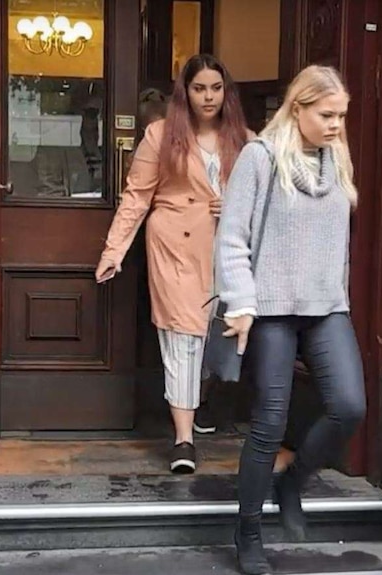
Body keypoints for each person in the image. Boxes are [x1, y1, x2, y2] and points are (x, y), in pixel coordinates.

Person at [215, 65, 366, 574]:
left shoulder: (335, 158)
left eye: (341, 115)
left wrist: (337, 290)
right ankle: (249, 530)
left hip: (326, 308)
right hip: (272, 310)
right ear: (297, 107)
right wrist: (240, 302)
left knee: (349, 406)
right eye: (326, 114)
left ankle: (292, 481)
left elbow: (336, 241)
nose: (335, 125)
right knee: (269, 422)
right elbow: (232, 238)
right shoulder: (259, 158)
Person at [95, 54, 250, 473]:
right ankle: (183, 439)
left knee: (217, 337)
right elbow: (136, 197)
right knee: (182, 335)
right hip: (175, 247)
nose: (208, 97)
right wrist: (114, 251)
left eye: (216, 88)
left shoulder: (244, 139)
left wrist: (234, 204)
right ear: (185, 92)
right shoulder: (160, 135)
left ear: (226, 92)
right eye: (199, 88)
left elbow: (265, 199)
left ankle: (199, 407)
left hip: (226, 250)